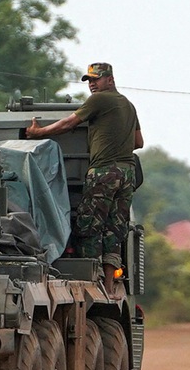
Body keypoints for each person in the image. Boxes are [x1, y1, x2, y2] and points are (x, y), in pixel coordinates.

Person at [26, 62, 143, 298]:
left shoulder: (100, 100)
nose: (92, 84)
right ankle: (109, 286)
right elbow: (139, 142)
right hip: (126, 173)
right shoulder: (128, 105)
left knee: (89, 226)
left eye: (96, 79)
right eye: (89, 80)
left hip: (103, 171)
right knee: (114, 229)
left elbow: (70, 123)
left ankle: (92, 283)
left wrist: (39, 133)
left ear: (110, 80)